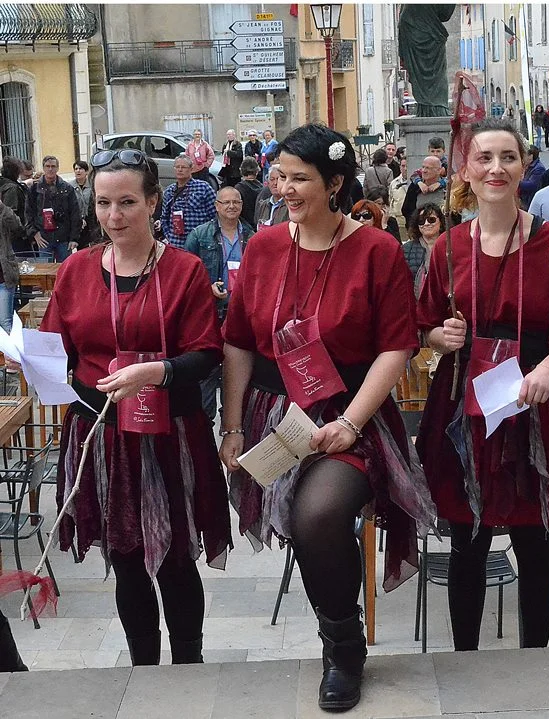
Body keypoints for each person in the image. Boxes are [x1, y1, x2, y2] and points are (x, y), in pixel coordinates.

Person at [220, 124, 435, 712]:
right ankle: (338, 629)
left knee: (318, 514)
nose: (285, 188)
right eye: (280, 176)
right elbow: (237, 341)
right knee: (301, 518)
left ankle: (342, 648)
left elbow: (398, 345)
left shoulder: (377, 250)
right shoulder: (263, 248)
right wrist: (233, 426)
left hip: (350, 414)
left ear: (335, 183)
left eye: (300, 178)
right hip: (274, 417)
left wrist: (352, 424)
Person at [36, 147, 232, 666]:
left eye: (126, 202)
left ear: (152, 203)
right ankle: (143, 669)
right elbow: (57, 348)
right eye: (103, 203)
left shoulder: (185, 270)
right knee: (125, 558)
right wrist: (27, 359)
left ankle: (188, 665)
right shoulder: (76, 270)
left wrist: (156, 371)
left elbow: (206, 353)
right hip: (101, 433)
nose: (114, 216)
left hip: (168, 429)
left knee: (173, 558)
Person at [416, 116, 549, 652]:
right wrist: (439, 336)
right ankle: (465, 661)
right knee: (467, 541)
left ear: (524, 165)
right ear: (466, 169)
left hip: (533, 400)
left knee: (533, 539)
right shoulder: (447, 248)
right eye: (484, 158)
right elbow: (422, 324)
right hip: (462, 406)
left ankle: (535, 660)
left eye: (507, 157)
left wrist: (548, 369)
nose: (496, 168)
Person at [184, 185, 253, 420]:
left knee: (238, 375)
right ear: (216, 206)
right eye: (226, 202)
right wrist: (208, 288)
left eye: (236, 202)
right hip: (211, 314)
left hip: (241, 314)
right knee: (207, 374)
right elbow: (187, 276)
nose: (232, 206)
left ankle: (232, 424)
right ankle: (204, 425)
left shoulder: (252, 237)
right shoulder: (199, 235)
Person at [25, 155, 81, 261]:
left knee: (64, 269)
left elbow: (75, 213)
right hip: (43, 239)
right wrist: (34, 233)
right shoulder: (34, 189)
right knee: (45, 270)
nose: (50, 169)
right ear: (43, 168)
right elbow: (28, 213)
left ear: (57, 168)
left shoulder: (67, 188)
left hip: (63, 238)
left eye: (53, 166)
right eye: (47, 166)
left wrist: (74, 238)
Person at [401, 202, 444, 296]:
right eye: (421, 220)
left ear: (441, 221)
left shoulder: (451, 246)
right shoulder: (406, 249)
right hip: (415, 299)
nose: (426, 223)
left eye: (431, 219)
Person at [401, 156, 446, 224]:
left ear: (439, 170)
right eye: (423, 167)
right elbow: (406, 210)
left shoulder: (446, 188)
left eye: (428, 168)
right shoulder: (415, 187)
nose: (424, 171)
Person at [0, 200, 20, 332]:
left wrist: (1, 207)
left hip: (4, 277)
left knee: (5, 322)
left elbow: (17, 226)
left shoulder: (3, 213)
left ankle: (10, 345)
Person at [73, 160, 98, 248]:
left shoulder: (93, 185)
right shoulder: (70, 186)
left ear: (86, 171)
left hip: (91, 220)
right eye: (76, 169)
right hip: (77, 220)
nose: (78, 171)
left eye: (81, 169)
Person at [255, 165, 288, 230]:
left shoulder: (289, 205)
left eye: (278, 179)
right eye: (272, 179)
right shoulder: (263, 205)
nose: (275, 183)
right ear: (268, 183)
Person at [235, 158, 264, 228]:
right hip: (258, 224)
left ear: (241, 170)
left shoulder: (239, 188)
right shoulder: (263, 188)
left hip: (244, 225)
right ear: (256, 171)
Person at [518, 144, 547, 209]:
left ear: (531, 156)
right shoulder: (528, 165)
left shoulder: (539, 168)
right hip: (525, 199)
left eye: (524, 155)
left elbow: (532, 185)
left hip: (530, 200)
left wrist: (517, 182)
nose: (522, 158)